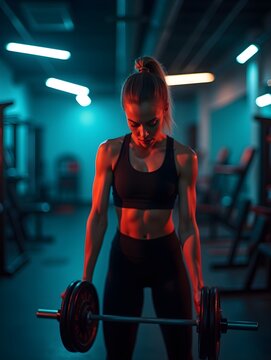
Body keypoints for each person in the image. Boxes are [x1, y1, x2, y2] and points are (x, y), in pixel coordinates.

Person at [82, 56, 204, 360]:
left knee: (181, 353)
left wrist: (199, 285)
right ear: (125, 114)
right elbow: (97, 217)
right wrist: (84, 281)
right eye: (133, 124)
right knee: (118, 353)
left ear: (163, 109)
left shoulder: (184, 157)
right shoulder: (109, 152)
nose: (143, 133)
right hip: (125, 261)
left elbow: (188, 224)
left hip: (167, 261)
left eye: (151, 123)